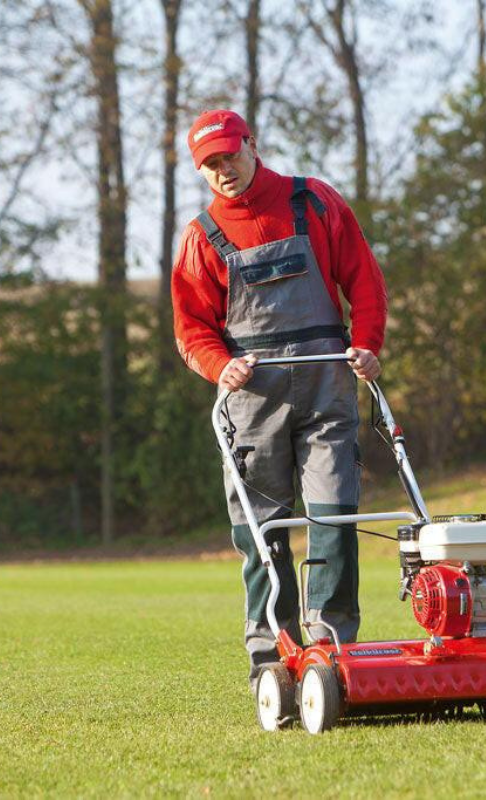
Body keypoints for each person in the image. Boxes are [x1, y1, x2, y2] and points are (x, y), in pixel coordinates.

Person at [171, 109, 387, 687]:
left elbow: (363, 279)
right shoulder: (200, 238)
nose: (223, 172)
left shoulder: (314, 202)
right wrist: (222, 366)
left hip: (326, 385)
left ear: (252, 145)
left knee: (335, 512)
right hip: (252, 397)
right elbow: (192, 331)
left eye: (229, 157)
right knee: (261, 531)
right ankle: (272, 654)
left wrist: (366, 345)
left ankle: (332, 645)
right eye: (210, 165)